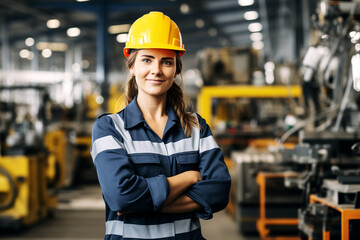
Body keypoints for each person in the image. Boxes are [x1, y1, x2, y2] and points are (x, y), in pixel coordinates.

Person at [91, 11, 231, 240]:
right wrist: (189, 177)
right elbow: (121, 197)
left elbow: (219, 192)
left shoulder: (196, 127)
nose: (156, 70)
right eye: (147, 60)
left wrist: (146, 203)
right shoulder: (110, 128)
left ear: (176, 69)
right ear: (132, 66)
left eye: (166, 62)